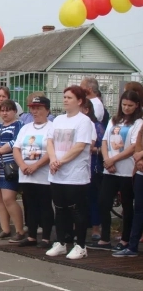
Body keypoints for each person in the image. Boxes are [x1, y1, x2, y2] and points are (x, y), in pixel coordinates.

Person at [88, 90, 143, 251]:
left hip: (126, 170)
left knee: (127, 205)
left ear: (137, 106)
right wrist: (107, 159)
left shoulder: (138, 123)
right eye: (124, 104)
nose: (126, 108)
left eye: (130, 105)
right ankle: (105, 238)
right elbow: (104, 141)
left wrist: (114, 159)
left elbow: (133, 146)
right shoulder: (114, 120)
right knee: (103, 202)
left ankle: (125, 239)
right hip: (110, 169)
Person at [45, 86, 92, 260]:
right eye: (64, 97)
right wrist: (52, 159)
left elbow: (80, 146)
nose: (65, 100)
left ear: (79, 101)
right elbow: (49, 141)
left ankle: (80, 245)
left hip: (75, 175)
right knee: (60, 209)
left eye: (69, 97)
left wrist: (61, 161)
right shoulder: (57, 120)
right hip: (56, 174)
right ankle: (61, 242)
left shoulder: (83, 121)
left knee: (76, 211)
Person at [13, 96, 54, 248]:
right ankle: (31, 235)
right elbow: (16, 148)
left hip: (44, 175)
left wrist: (36, 165)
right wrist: (22, 165)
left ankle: (46, 237)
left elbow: (51, 151)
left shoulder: (52, 128)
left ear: (47, 110)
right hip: (26, 174)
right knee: (30, 206)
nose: (35, 111)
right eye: (33, 108)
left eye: (39, 108)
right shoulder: (26, 128)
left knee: (45, 205)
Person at [0, 99, 25, 242]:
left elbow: (16, 142)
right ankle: (5, 229)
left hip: (10, 166)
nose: (4, 113)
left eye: (8, 110)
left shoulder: (19, 125)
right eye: (2, 110)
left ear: (15, 111)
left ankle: (20, 230)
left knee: (8, 198)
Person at [113, 126, 143, 257]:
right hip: (140, 172)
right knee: (138, 209)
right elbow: (139, 140)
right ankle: (132, 246)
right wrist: (139, 160)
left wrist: (141, 154)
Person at [81, 99, 105, 241]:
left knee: (93, 198)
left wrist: (92, 149)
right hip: (79, 166)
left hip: (93, 166)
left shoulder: (97, 126)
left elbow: (104, 147)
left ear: (86, 110)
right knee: (79, 199)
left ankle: (96, 227)